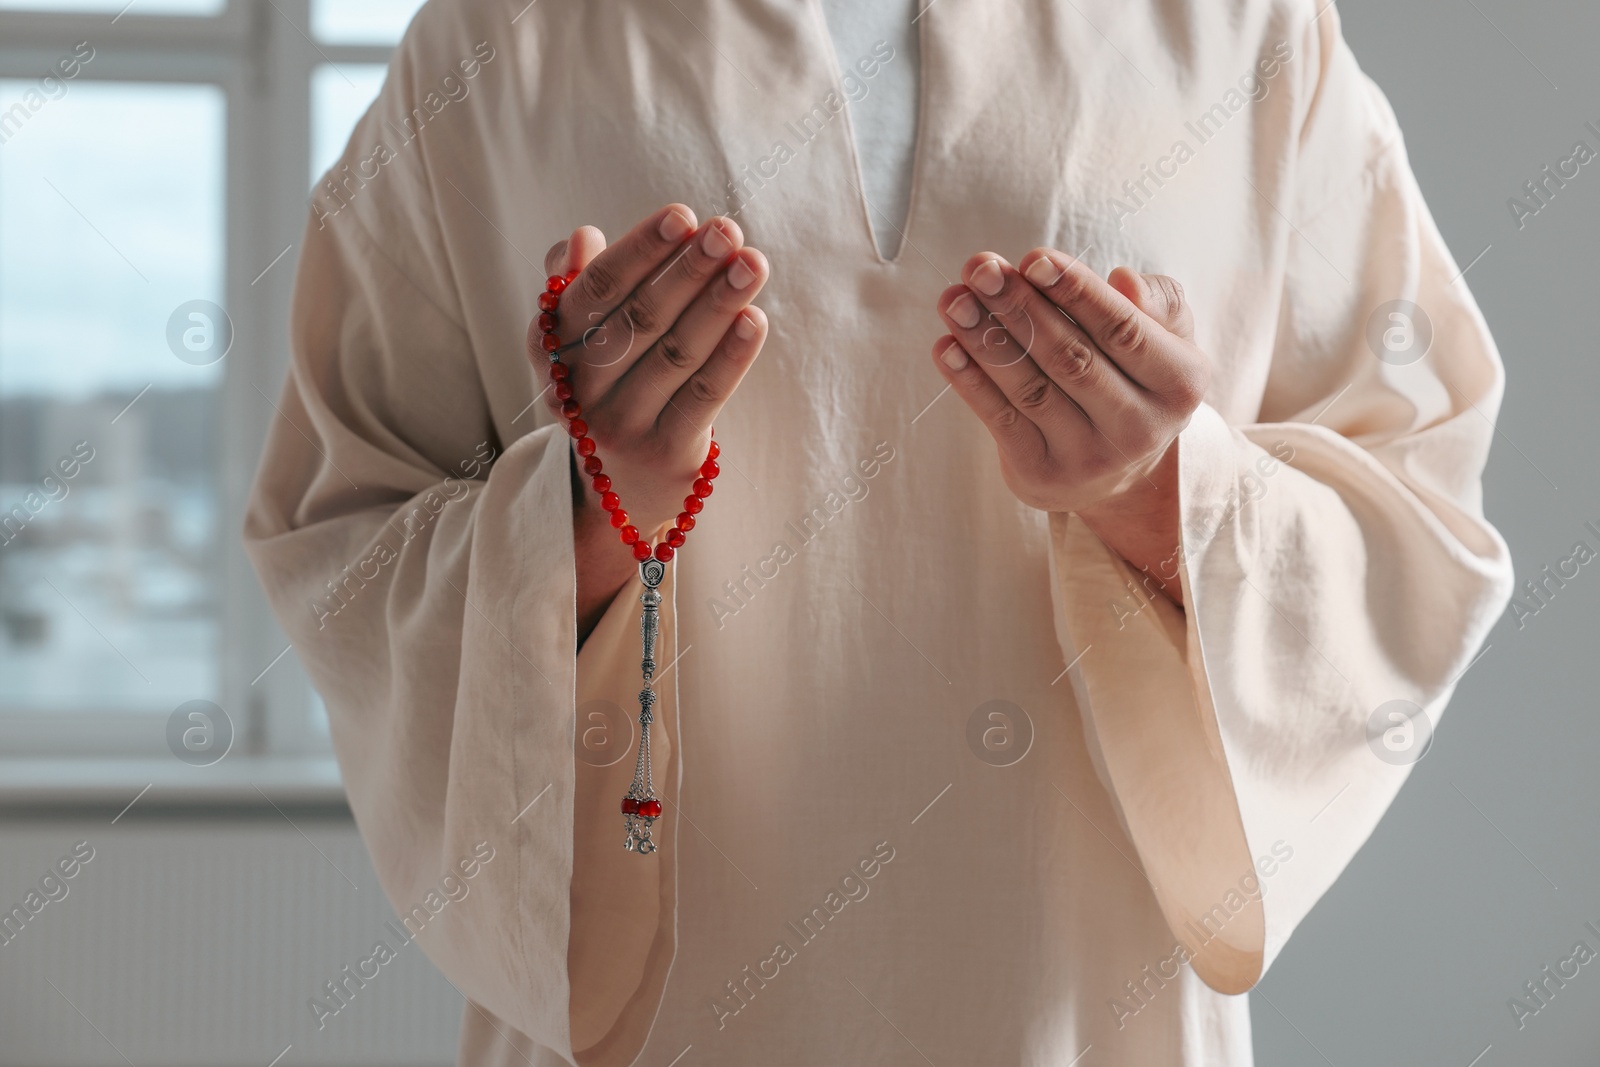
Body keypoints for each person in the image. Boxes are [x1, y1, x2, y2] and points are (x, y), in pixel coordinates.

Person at [245, 0, 1513, 1063]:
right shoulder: (499, 36)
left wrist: (1164, 490)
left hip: (1081, 1005)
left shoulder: (1243, 29)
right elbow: (341, 528)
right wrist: (585, 511)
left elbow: (1413, 505)